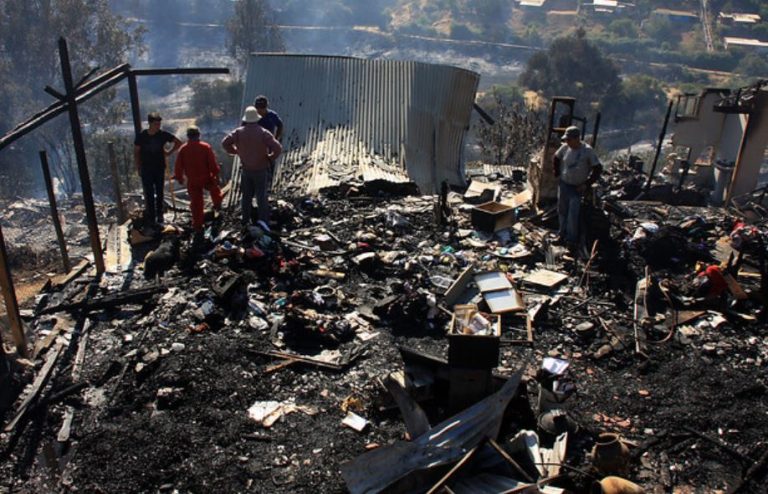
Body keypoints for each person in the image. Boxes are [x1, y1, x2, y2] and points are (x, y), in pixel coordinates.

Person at [222, 106, 283, 226]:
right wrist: (270, 157)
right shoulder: (263, 132)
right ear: (257, 119)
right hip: (261, 169)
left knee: (246, 197)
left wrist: (235, 151)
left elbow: (225, 143)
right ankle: (263, 221)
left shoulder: (238, 132)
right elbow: (278, 148)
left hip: (246, 170)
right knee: (261, 197)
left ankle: (245, 220)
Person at [552, 125, 602, 246]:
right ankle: (561, 234)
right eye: (566, 140)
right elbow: (556, 157)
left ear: (577, 138)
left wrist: (587, 184)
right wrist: (557, 173)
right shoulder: (565, 148)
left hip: (577, 188)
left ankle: (571, 239)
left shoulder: (587, 151)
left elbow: (597, 169)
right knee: (562, 211)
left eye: (569, 140)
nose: (567, 142)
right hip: (564, 184)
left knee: (572, 214)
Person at [174, 126, 223, 240]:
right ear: (198, 135)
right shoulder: (205, 147)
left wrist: (180, 178)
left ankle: (198, 226)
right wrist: (216, 174)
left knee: (196, 204)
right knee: (215, 190)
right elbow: (212, 164)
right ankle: (218, 206)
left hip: (193, 180)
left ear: (188, 136)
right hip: (206, 177)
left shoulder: (183, 149)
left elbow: (178, 167)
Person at [134, 112, 182, 226]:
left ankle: (160, 216)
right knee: (149, 193)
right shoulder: (142, 136)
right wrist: (138, 167)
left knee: (160, 192)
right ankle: (151, 217)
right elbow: (136, 152)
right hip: (146, 168)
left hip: (159, 167)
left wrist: (169, 152)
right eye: (156, 124)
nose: (158, 126)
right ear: (150, 123)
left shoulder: (162, 135)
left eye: (159, 124)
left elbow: (178, 142)